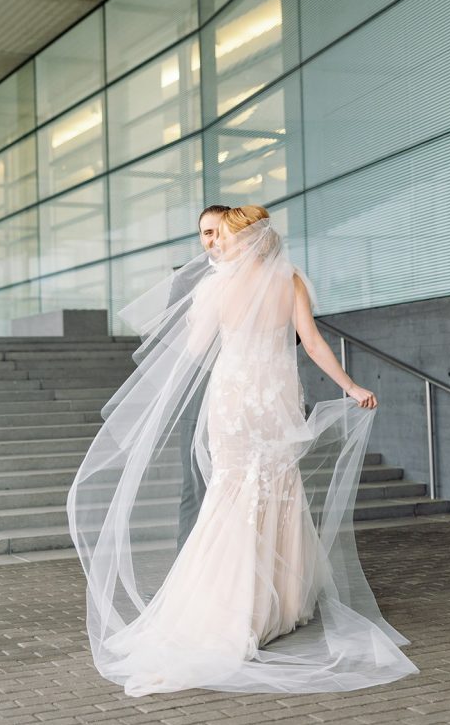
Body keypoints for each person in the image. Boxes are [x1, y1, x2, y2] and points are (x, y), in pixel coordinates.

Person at [66, 205, 419, 696]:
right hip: (274, 398)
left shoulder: (216, 286)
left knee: (237, 492)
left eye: (218, 236)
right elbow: (313, 344)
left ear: (238, 238)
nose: (213, 245)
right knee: (271, 490)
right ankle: (273, 606)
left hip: (235, 399)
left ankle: (239, 608)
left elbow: (192, 352)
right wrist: (351, 386)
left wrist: (161, 394)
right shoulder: (290, 279)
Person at [172, 205, 230, 552]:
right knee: (195, 482)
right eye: (207, 233)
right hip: (199, 390)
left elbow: (292, 334)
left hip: (245, 387)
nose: (214, 239)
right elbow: (169, 338)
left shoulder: (264, 274)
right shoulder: (186, 279)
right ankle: (185, 574)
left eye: (221, 230)